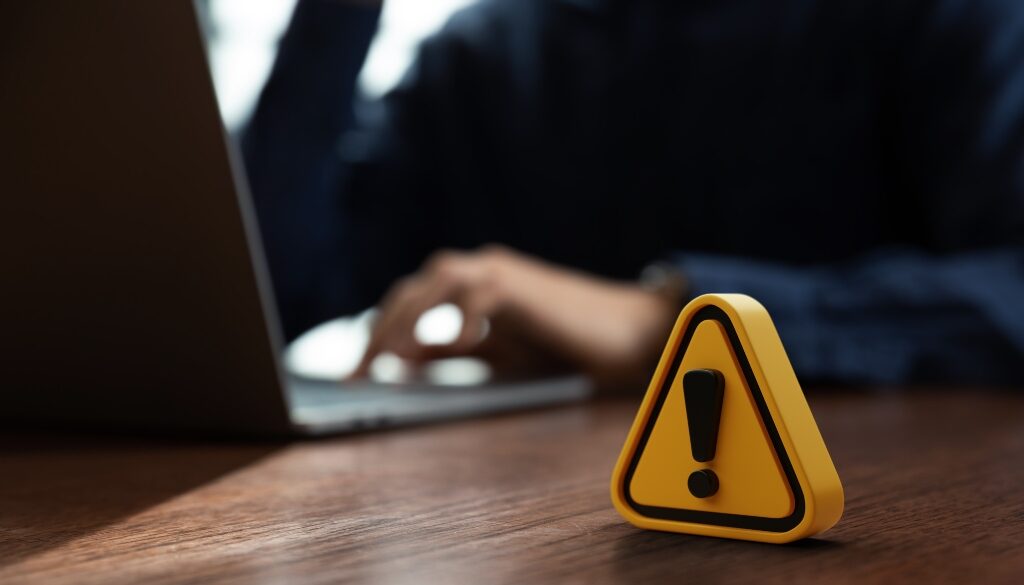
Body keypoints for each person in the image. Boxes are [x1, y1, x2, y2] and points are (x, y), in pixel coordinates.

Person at [243, 0, 1024, 390]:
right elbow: (267, 296)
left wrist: (670, 320)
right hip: (548, 521)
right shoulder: (487, 56)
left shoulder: (938, 17)